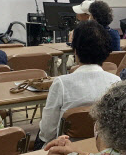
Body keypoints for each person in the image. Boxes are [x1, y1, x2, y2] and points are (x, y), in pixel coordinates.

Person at [37, 20, 119, 148]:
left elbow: (47, 133)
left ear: (75, 51)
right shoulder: (116, 82)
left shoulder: (61, 84)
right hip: (104, 151)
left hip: (67, 152)